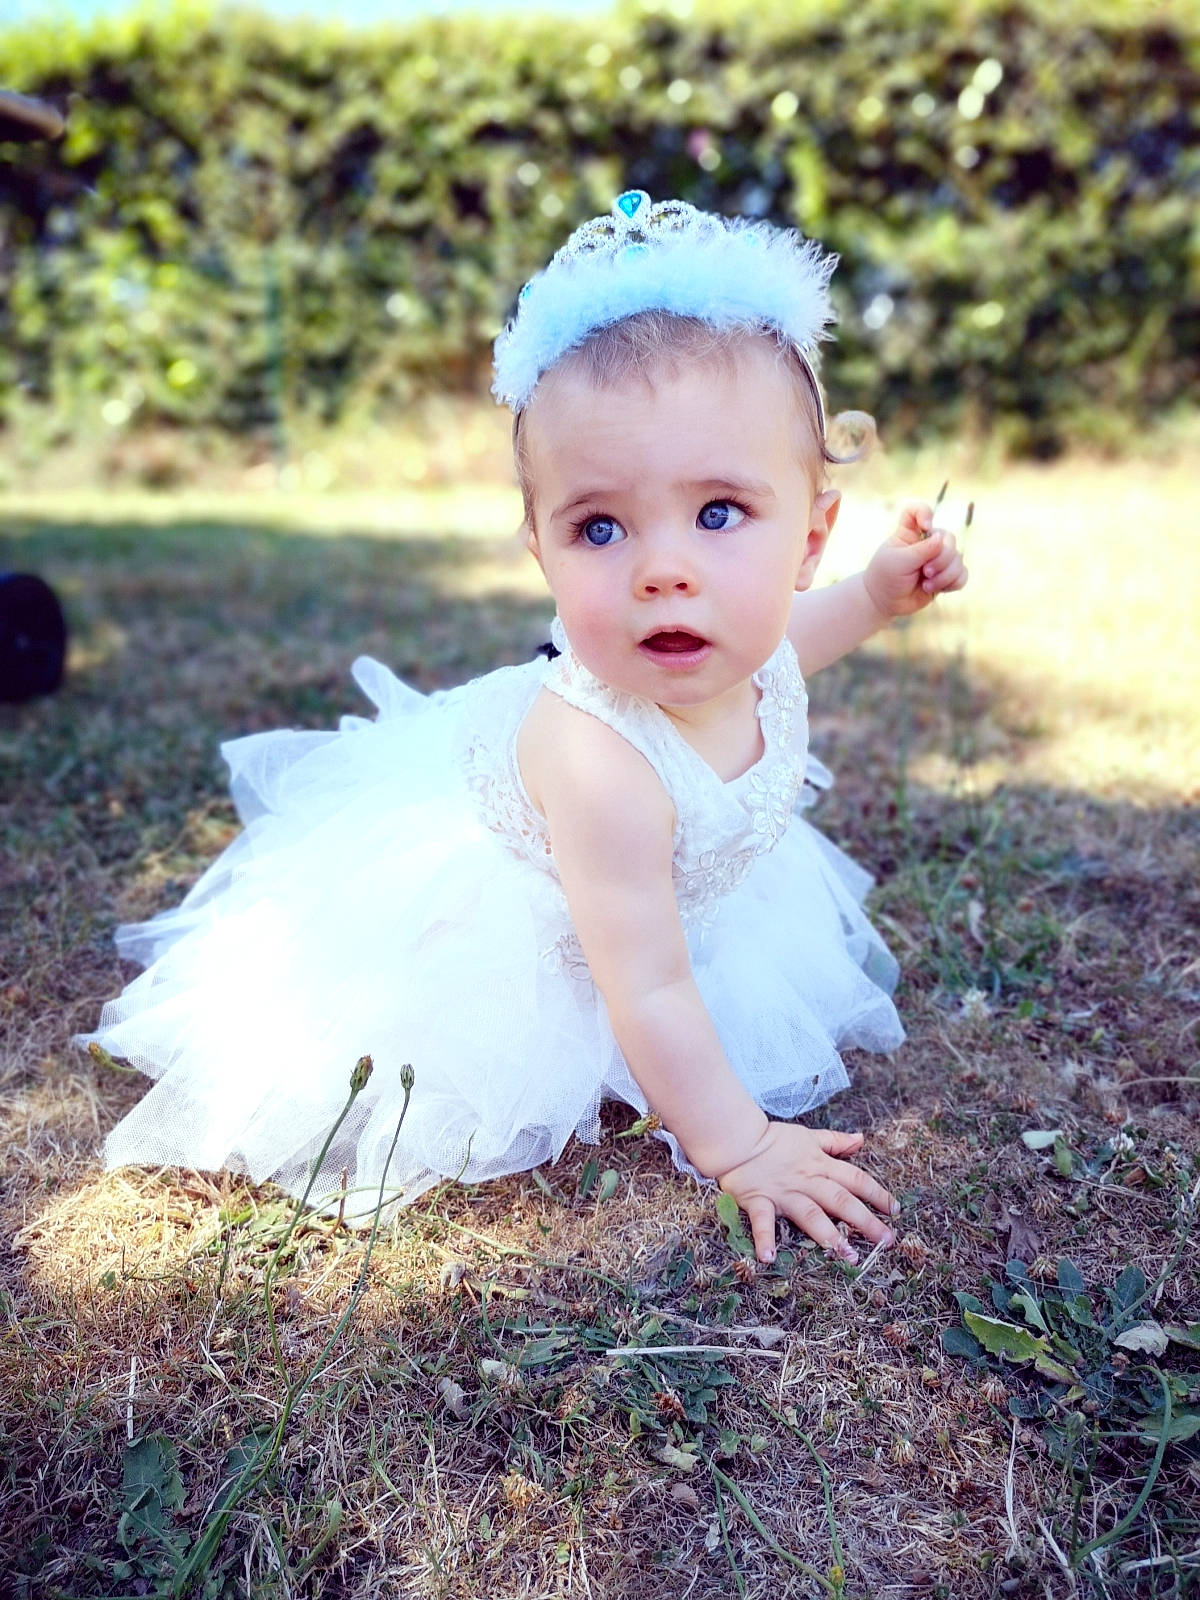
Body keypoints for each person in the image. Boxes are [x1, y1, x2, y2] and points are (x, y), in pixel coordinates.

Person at [81, 192, 966, 1264]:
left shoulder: (748, 646)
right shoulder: (599, 762)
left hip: (642, 896)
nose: (662, 567)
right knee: (612, 985)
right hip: (532, 921)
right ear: (541, 550)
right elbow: (647, 983)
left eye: (718, 513)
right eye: (600, 527)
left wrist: (876, 592)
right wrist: (742, 1144)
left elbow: (795, 646)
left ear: (812, 537)